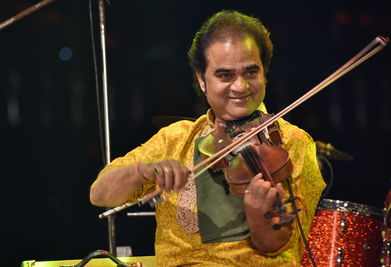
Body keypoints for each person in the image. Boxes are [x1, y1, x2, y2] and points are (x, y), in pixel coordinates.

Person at [90, 10, 325, 266]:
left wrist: (260, 221)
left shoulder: (292, 143)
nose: (240, 86)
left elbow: (286, 247)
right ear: (202, 79)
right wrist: (141, 172)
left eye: (251, 72)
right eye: (225, 75)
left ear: (264, 72)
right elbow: (99, 194)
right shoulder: (175, 139)